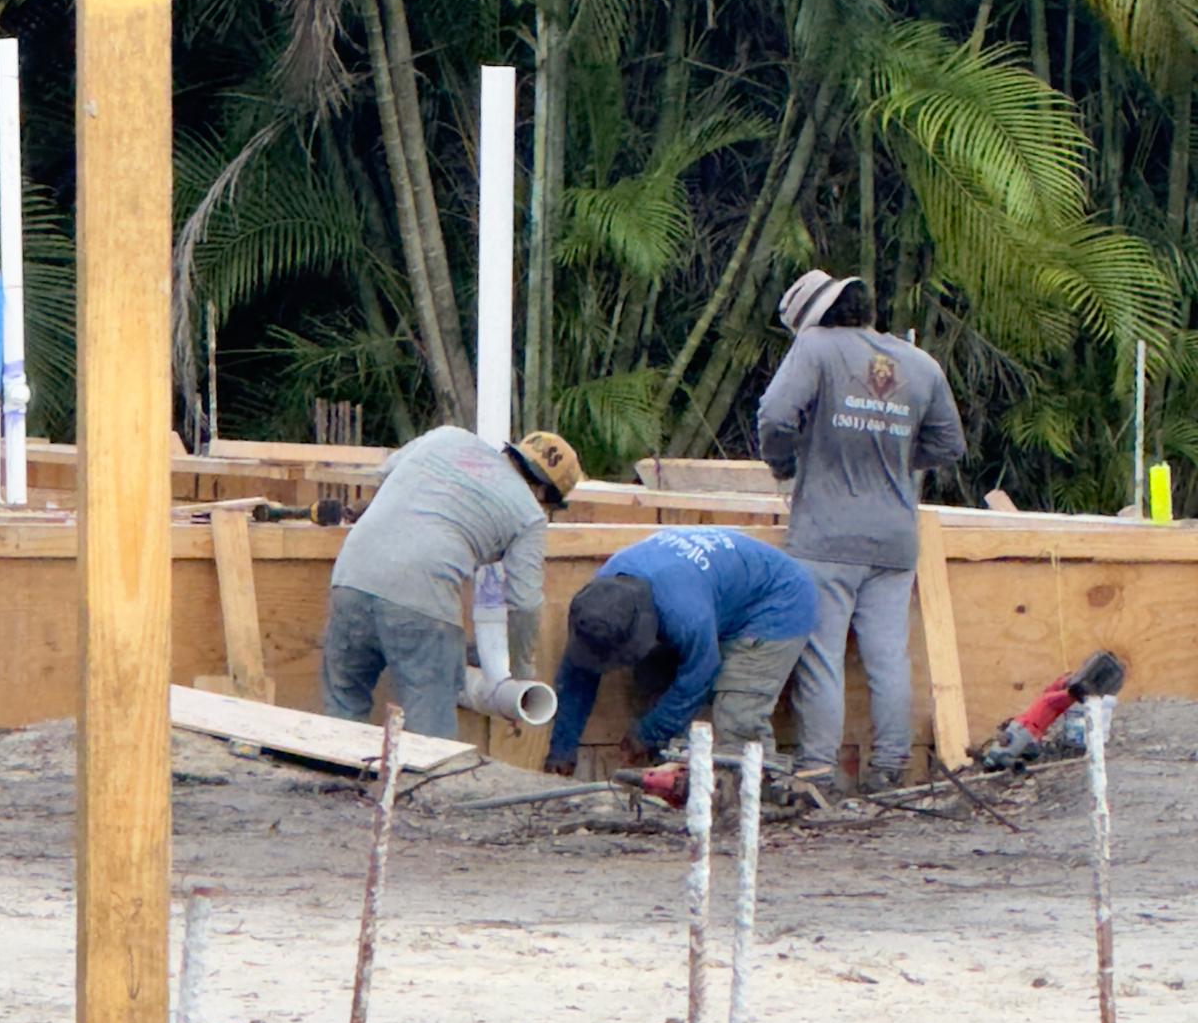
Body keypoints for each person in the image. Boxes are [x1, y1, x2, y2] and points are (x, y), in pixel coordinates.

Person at [757, 270, 965, 792]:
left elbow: (775, 414)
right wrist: (896, 460)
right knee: (887, 656)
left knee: (821, 655)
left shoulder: (815, 349)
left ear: (813, 320)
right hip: (894, 539)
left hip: (825, 534)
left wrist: (786, 462)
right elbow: (949, 446)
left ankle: (817, 771)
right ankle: (892, 767)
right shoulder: (919, 363)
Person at [320, 425, 582, 738]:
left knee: (343, 704)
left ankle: (335, 780)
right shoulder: (529, 514)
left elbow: (386, 473)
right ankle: (425, 788)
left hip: (352, 576)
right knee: (430, 731)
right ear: (543, 494)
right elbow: (523, 604)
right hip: (422, 599)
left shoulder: (447, 437)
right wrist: (520, 675)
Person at [544, 527, 818, 776]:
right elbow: (578, 675)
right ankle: (670, 780)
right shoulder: (599, 601)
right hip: (713, 590)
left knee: (739, 713)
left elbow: (699, 676)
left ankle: (757, 797)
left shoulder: (686, 616)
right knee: (650, 683)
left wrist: (648, 733)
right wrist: (562, 750)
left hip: (777, 601)